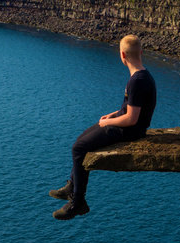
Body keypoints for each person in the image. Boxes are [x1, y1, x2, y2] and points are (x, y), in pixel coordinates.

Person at [49, 34, 156, 221]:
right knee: (82, 138)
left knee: (79, 148)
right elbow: (131, 107)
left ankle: (78, 202)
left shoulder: (136, 81)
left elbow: (131, 118)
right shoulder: (143, 75)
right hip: (129, 125)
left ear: (122, 55)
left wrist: (108, 123)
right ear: (141, 52)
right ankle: (72, 186)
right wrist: (113, 114)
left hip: (130, 131)